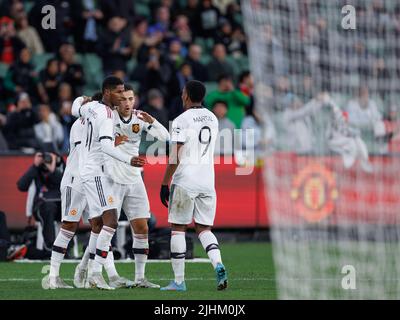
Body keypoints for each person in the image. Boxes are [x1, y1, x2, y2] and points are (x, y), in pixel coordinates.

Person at [71, 76, 145, 290]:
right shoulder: (106, 115)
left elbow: (75, 108)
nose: (122, 96)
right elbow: (105, 146)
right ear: (107, 92)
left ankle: (84, 269)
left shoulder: (91, 106)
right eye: (118, 92)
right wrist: (129, 159)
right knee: (110, 222)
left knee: (99, 225)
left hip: (89, 171)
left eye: (124, 92)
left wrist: (80, 99)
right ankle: (95, 273)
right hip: (97, 173)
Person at [159, 80, 228, 291]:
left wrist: (164, 182)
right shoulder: (213, 118)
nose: (181, 96)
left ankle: (179, 282)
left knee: (178, 229)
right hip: (208, 181)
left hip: (186, 180)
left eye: (182, 93)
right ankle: (218, 264)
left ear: (187, 95)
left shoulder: (181, 120)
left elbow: (176, 156)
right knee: (204, 229)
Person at [103, 84, 169, 288]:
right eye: (123, 99)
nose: (127, 103)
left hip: (134, 179)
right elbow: (98, 145)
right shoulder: (107, 117)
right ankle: (110, 275)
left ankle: (140, 278)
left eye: (130, 99)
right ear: (116, 100)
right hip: (111, 178)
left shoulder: (140, 118)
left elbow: (166, 138)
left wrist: (154, 122)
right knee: (106, 228)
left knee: (142, 228)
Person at [16, 147, 65, 257]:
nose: (47, 160)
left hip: (62, 207)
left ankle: (66, 249)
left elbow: (64, 184)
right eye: (45, 157)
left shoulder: (63, 167)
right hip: (43, 207)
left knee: (71, 212)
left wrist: (53, 170)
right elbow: (21, 186)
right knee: (48, 207)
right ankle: (50, 248)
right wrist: (34, 166)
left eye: (50, 157)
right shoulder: (37, 169)